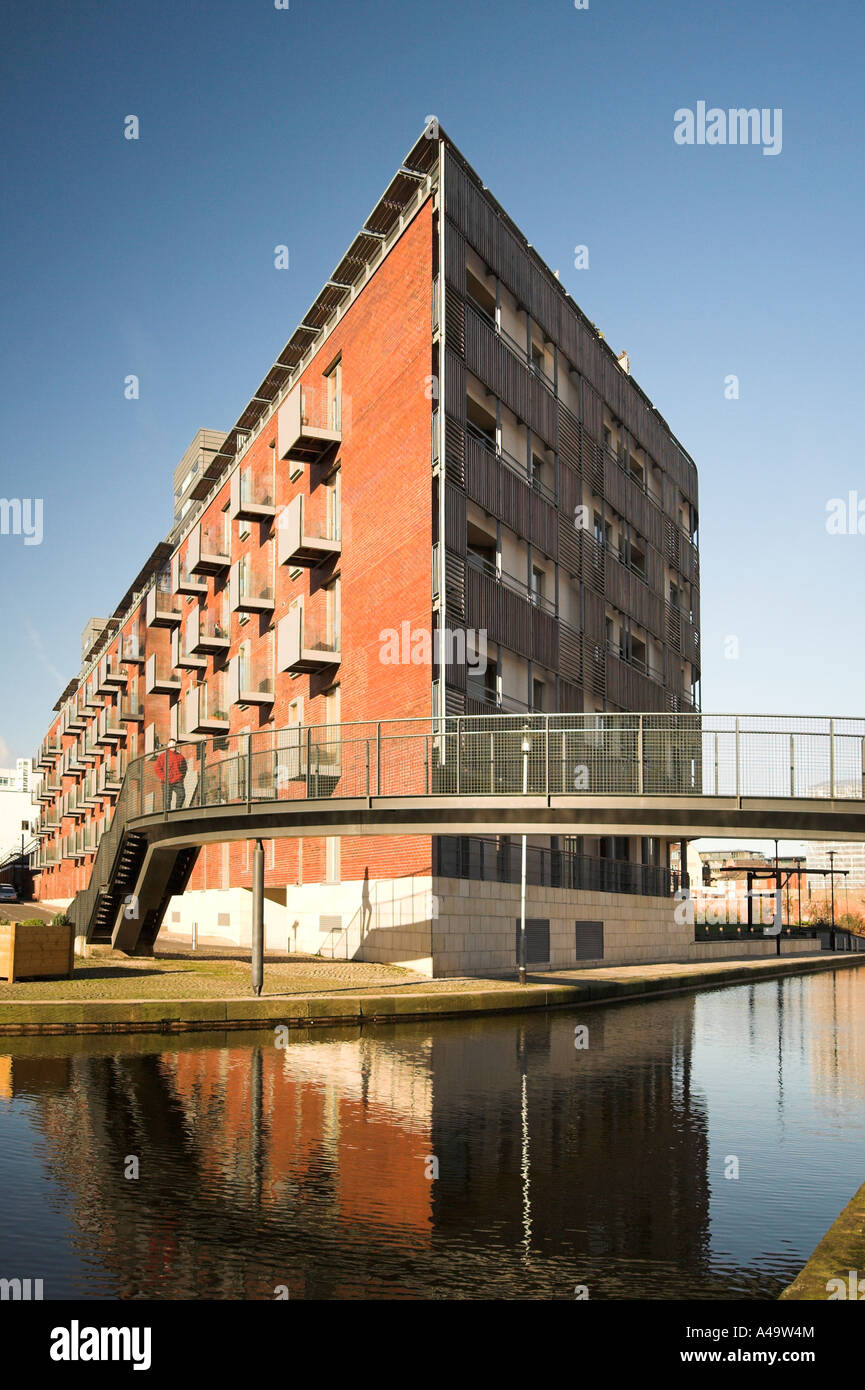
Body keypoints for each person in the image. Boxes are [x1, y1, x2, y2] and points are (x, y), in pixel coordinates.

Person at [154, 739, 188, 810]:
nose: (173, 746)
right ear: (168, 745)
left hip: (178, 781)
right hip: (166, 781)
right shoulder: (162, 756)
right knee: (167, 799)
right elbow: (157, 768)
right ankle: (167, 814)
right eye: (172, 744)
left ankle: (177, 810)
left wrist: (181, 777)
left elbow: (184, 768)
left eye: (174, 744)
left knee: (182, 795)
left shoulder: (180, 756)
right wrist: (164, 777)